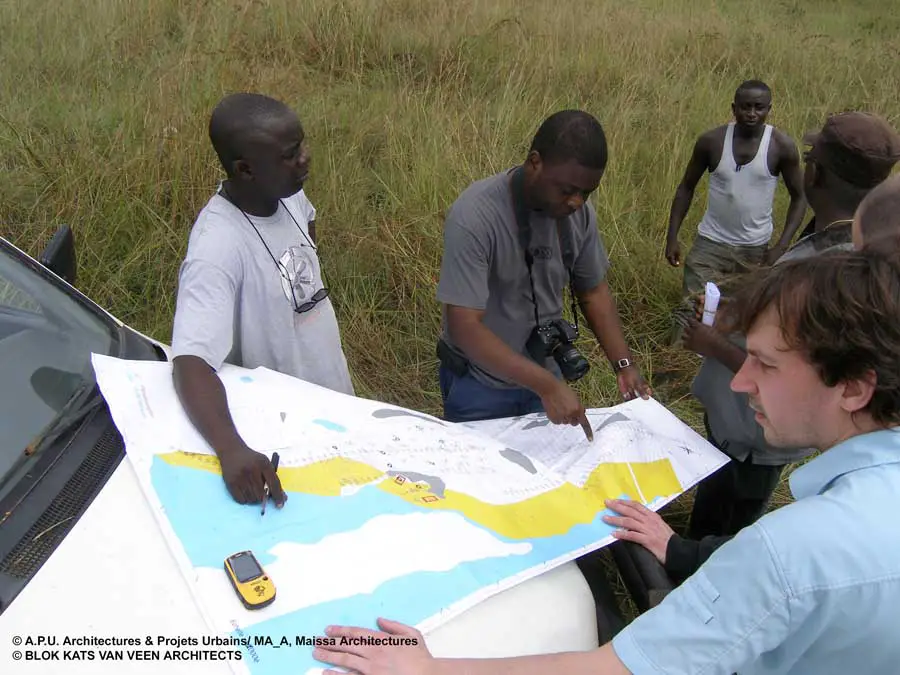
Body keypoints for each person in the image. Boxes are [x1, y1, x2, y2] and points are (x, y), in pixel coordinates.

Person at [314, 248, 900, 675]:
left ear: (853, 387)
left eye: (767, 365)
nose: (741, 381)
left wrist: (429, 668)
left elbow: (616, 668)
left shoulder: (789, 551)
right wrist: (679, 550)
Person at [680, 110, 900, 541]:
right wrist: (739, 311)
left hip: (754, 434)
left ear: (816, 173)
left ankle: (696, 565)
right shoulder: (846, 244)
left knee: (726, 524)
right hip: (745, 423)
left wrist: (713, 344)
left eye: (810, 158)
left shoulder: (832, 272)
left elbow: (803, 375)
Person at [170, 93, 354, 507]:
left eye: (302, 145)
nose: (305, 159)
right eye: (290, 155)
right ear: (245, 170)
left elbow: (308, 233)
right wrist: (231, 449)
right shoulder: (217, 247)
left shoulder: (289, 194)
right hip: (288, 434)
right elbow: (190, 363)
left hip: (337, 405)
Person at [435, 110, 651, 431]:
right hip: (480, 385)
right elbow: (464, 326)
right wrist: (548, 387)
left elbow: (593, 291)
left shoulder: (578, 215)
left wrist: (624, 365)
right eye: (567, 190)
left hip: (544, 375)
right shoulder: (475, 215)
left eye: (587, 193)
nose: (577, 202)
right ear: (535, 163)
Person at [665, 79, 806, 336]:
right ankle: (678, 357)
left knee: (739, 319)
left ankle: (718, 358)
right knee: (691, 309)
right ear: (733, 108)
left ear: (769, 109)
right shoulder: (711, 142)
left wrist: (781, 246)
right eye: (745, 107)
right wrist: (672, 236)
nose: (752, 113)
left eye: (759, 107)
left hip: (754, 249)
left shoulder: (781, 146)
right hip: (710, 243)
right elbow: (686, 187)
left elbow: (800, 197)